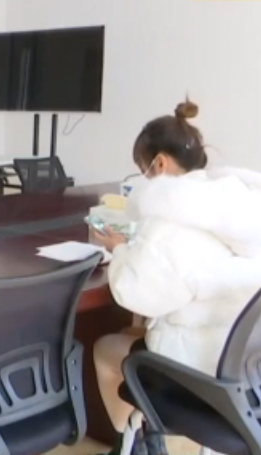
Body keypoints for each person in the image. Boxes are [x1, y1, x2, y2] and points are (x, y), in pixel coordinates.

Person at [92, 100, 261, 455]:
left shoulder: (171, 224)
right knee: (132, 334)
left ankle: (136, 442)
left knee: (106, 348)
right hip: (248, 371)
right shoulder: (241, 207)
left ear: (160, 163)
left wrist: (120, 250)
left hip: (199, 376)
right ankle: (143, 436)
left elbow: (134, 294)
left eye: (144, 171)